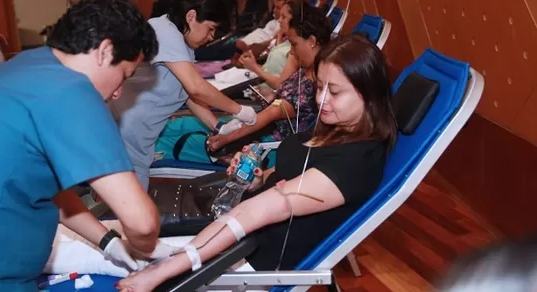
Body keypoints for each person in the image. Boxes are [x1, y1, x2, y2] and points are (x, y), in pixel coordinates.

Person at [41, 34, 398, 291]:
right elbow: (286, 181)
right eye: (319, 87)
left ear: (369, 95)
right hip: (231, 235)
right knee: (66, 238)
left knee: (72, 246)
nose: (321, 100)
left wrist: (163, 271)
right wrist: (260, 177)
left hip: (244, 260)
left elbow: (254, 215)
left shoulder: (357, 161)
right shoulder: (336, 132)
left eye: (334, 92)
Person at [0, 0, 161, 291]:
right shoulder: (71, 92)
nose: (118, 93)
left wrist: (108, 242)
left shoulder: (22, 68)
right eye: (124, 76)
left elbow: (39, 185)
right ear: (105, 51)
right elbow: (142, 223)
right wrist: (149, 250)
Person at [110, 0, 257, 191]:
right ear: (191, 16)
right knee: (131, 214)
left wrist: (218, 127)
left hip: (139, 141)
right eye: (210, 28)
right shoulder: (163, 31)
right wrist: (239, 110)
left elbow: (188, 95)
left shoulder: (184, 47)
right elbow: (195, 87)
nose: (211, 37)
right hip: (121, 137)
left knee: (131, 212)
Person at [152, 3, 330, 166]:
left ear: (312, 41)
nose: (291, 51)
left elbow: (271, 114)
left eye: (294, 44)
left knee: (176, 141)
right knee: (182, 124)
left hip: (263, 145)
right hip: (257, 127)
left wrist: (227, 138)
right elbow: (279, 101)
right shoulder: (305, 70)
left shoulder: (314, 85)